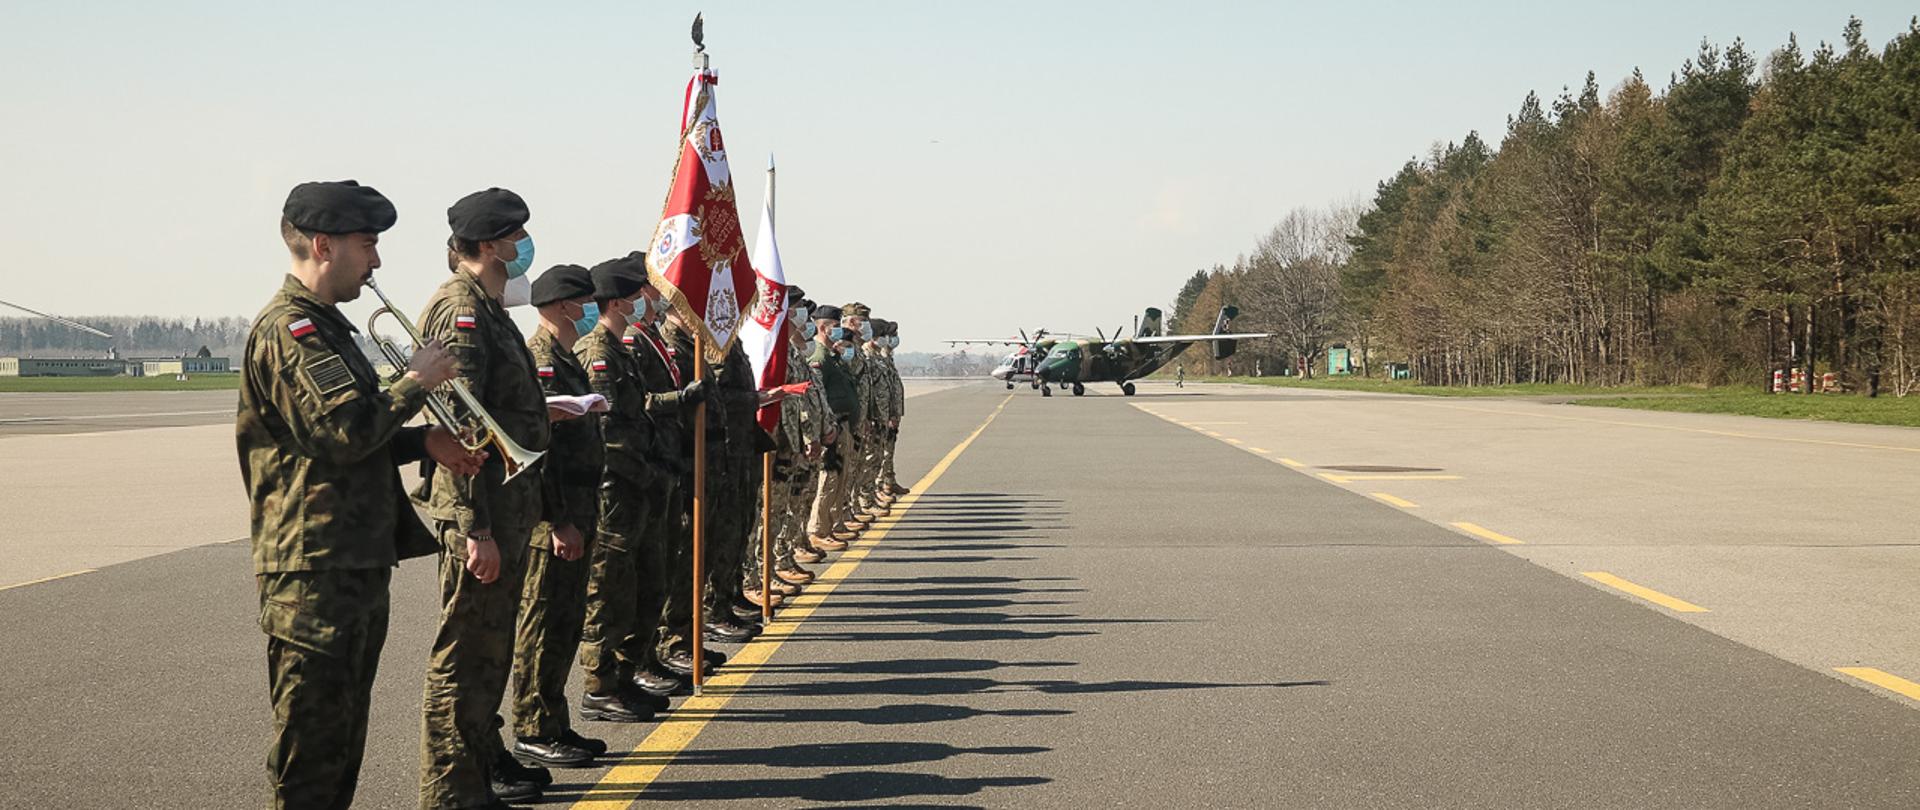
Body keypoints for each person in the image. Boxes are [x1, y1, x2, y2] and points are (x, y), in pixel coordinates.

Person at [239, 180, 482, 810]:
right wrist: (415, 383)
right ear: (324, 245)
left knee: (341, 744)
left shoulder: (328, 328)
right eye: (367, 244)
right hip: (314, 572)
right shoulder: (292, 331)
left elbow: (345, 433)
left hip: (347, 562)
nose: (376, 261)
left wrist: (421, 441)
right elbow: (343, 434)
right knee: (311, 756)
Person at [415, 187, 555, 808]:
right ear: (491, 243)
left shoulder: (490, 307)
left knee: (489, 652)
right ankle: (451, 788)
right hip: (482, 509)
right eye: (515, 234)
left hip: (505, 505)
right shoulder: (461, 310)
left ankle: (479, 765)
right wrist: (476, 528)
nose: (523, 245)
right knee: (465, 655)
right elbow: (460, 419)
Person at [507, 264, 607, 767]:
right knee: (543, 625)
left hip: (579, 511)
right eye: (585, 301)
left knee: (566, 624)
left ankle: (554, 721)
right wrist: (558, 520)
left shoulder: (566, 358)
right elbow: (540, 453)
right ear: (564, 306)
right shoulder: (541, 360)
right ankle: (531, 726)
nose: (592, 309)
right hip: (555, 520)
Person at [574, 255, 676, 723]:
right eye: (638, 295)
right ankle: (599, 687)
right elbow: (610, 434)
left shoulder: (621, 351)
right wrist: (648, 473)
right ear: (618, 301)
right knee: (608, 593)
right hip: (616, 492)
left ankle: (626, 675)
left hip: (638, 489)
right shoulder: (598, 352)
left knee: (643, 586)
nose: (646, 302)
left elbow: (640, 422)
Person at [805, 305, 861, 551]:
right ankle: (818, 529)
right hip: (831, 426)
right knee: (828, 478)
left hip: (842, 425)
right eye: (836, 326)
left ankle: (831, 525)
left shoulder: (832, 356)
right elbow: (818, 396)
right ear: (823, 327)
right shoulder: (819, 357)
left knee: (839, 477)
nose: (840, 330)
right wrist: (824, 428)